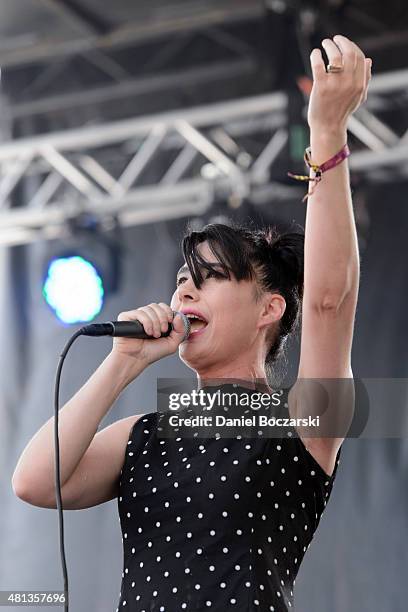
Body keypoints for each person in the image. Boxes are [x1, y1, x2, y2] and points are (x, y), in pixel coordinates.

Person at [12, 35, 371, 611]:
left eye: (210, 276)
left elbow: (331, 299)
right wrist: (121, 364)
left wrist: (327, 133)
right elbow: (34, 482)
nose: (185, 287)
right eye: (183, 277)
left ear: (268, 309)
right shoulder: (144, 435)